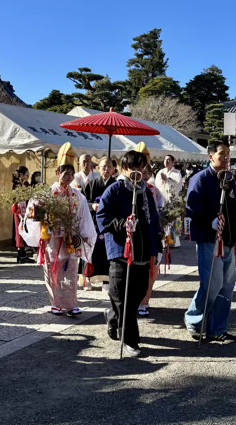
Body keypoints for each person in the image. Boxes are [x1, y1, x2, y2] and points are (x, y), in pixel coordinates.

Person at [97, 151, 161, 357]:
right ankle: (130, 340)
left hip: (143, 251)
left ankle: (114, 317)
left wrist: (157, 247)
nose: (140, 172)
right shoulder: (114, 190)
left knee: (139, 292)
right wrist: (122, 224)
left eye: (142, 168)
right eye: (135, 167)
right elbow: (103, 218)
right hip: (120, 251)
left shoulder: (146, 192)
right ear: (125, 169)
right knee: (122, 295)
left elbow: (154, 222)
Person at [184, 141, 236, 344]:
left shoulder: (230, 180)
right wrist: (207, 220)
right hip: (209, 239)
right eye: (221, 153)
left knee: (227, 285)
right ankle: (194, 318)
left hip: (228, 239)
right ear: (211, 156)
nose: (226, 157)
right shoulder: (200, 179)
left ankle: (218, 328)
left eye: (228, 153)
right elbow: (192, 209)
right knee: (212, 284)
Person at [32, 147, 97, 315]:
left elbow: (83, 216)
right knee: (53, 268)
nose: (68, 177)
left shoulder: (77, 195)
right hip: (53, 238)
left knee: (71, 270)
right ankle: (56, 303)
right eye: (65, 173)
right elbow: (36, 214)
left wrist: (85, 234)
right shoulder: (48, 193)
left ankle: (71, 303)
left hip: (71, 237)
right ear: (57, 172)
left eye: (71, 174)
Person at [83, 157, 116, 288]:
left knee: (107, 252)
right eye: (103, 167)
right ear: (98, 169)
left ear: (114, 169)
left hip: (109, 224)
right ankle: (89, 279)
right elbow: (83, 202)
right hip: (93, 223)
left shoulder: (116, 186)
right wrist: (93, 206)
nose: (106, 169)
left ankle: (107, 281)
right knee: (92, 251)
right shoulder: (91, 185)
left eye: (109, 167)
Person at [138, 163, 166, 317]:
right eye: (143, 171)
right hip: (139, 232)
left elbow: (161, 205)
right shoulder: (132, 188)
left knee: (151, 268)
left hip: (153, 230)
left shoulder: (153, 189)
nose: (145, 175)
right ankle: (137, 301)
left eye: (148, 172)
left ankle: (145, 301)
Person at [10, 166, 35, 264]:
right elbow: (16, 198)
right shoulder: (16, 185)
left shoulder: (25, 184)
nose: (28, 177)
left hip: (26, 209)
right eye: (26, 175)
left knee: (24, 229)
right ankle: (21, 253)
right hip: (19, 210)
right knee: (19, 230)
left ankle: (22, 253)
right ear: (21, 175)